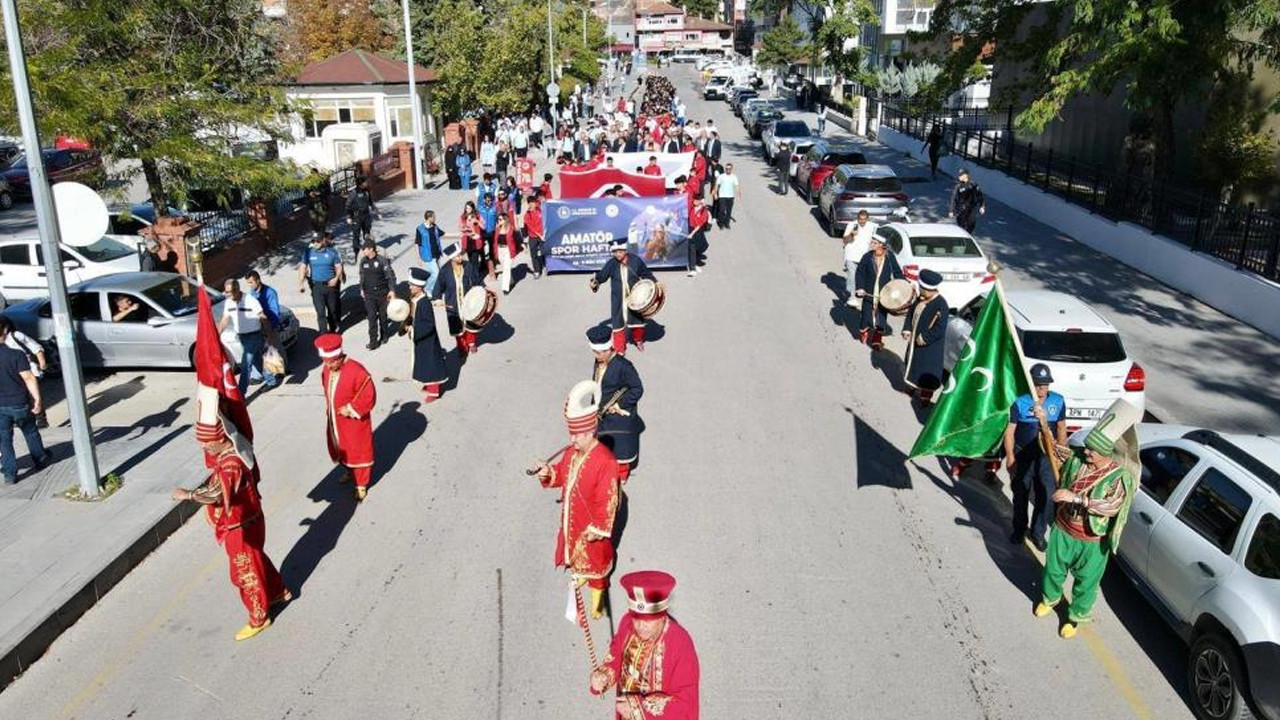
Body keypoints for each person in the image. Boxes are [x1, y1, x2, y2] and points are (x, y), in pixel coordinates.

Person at [171, 393, 289, 640]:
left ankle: (259, 617)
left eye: (207, 443)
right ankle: (278, 591)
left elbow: (215, 494)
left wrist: (188, 495)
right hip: (250, 521)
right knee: (258, 560)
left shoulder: (230, 465)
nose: (205, 448)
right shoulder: (232, 455)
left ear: (221, 439)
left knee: (245, 573)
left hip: (241, 527)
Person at [1035, 399, 1140, 639]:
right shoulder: (1078, 458)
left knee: (1086, 583)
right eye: (1087, 447)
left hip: (1092, 540)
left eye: (1092, 450)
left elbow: (1112, 506)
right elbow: (1054, 449)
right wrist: (1043, 422)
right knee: (1053, 569)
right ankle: (1050, 599)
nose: (1086, 451)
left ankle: (1074, 617)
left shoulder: (1119, 477)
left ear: (1104, 453)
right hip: (1063, 529)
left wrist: (1077, 499)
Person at [532, 382, 621, 620]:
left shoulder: (607, 462)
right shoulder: (572, 453)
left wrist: (599, 529)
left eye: (578, 434)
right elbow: (561, 473)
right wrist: (547, 472)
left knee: (597, 565)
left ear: (591, 432)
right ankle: (581, 578)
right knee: (576, 558)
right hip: (573, 520)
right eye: (571, 434)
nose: (573, 440)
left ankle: (597, 600)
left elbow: (609, 500)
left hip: (592, 526)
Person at [589, 570, 700, 719]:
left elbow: (686, 703)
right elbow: (616, 653)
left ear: (662, 617)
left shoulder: (680, 643)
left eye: (648, 620)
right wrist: (604, 675)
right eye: (637, 619)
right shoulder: (627, 622)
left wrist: (638, 708)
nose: (641, 626)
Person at [1004, 363, 1068, 552]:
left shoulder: (1058, 401)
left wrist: (1061, 454)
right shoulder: (1020, 402)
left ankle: (1038, 533)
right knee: (1021, 494)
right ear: (1031, 383)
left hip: (1046, 458)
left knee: (1046, 496)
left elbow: (1062, 428)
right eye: (1038, 384)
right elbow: (1010, 432)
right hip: (1023, 455)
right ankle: (1019, 528)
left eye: (1045, 384)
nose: (1042, 388)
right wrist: (1010, 457)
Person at [315, 333, 377, 502]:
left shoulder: (358, 371)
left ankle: (361, 484)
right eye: (326, 362)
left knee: (359, 451)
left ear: (340, 356)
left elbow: (368, 397)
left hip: (353, 422)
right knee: (341, 447)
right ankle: (349, 471)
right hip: (335, 420)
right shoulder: (327, 369)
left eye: (332, 361)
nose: (328, 365)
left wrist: (351, 409)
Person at [588, 325, 645, 483]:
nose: (596, 355)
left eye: (598, 352)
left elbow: (637, 388)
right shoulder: (599, 361)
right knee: (604, 444)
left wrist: (620, 405)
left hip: (620, 414)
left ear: (608, 349)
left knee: (621, 447)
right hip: (603, 412)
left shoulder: (624, 366)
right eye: (595, 352)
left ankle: (622, 473)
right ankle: (607, 470)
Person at [0, 320, 48, 485]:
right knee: (30, 432)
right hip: (19, 402)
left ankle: (10, 474)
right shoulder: (16, 355)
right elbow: (28, 377)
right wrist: (37, 400)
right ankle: (40, 459)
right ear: (5, 331)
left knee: (4, 440)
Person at [590, 240, 656, 354]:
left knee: (638, 322)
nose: (618, 254)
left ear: (625, 250)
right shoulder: (612, 263)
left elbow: (646, 274)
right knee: (618, 324)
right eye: (615, 252)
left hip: (635, 298)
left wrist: (655, 284)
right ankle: (620, 349)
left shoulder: (636, 261)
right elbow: (602, 276)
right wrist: (595, 281)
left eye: (620, 251)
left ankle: (638, 339)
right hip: (618, 299)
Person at [220, 279, 278, 394]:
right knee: (257, 359)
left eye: (229, 292)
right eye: (226, 292)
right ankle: (271, 380)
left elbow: (263, 317)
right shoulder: (228, 302)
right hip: (241, 337)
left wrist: (270, 334)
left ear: (237, 290)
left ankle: (241, 393)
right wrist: (217, 334)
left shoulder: (251, 300)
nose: (227, 295)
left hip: (254, 335)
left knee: (246, 364)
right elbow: (224, 320)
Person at [902, 269, 950, 406]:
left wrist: (925, 338)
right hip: (914, 342)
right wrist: (907, 329)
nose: (920, 290)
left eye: (921, 289)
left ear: (928, 289)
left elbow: (940, 329)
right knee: (913, 364)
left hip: (930, 346)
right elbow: (911, 314)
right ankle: (912, 386)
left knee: (927, 369)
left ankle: (925, 397)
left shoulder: (941, 305)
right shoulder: (919, 299)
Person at [433, 243, 484, 358]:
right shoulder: (445, 270)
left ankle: (471, 343)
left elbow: (477, 280)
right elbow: (439, 286)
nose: (461, 258)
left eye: (461, 255)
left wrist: (482, 291)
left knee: (471, 322)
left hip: (468, 300)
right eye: (458, 256)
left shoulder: (468, 266)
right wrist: (437, 298)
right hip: (453, 302)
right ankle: (462, 347)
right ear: (451, 257)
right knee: (456, 325)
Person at [854, 236, 904, 350]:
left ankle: (877, 340)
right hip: (869, 291)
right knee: (866, 315)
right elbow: (860, 272)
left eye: (875, 242)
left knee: (881, 316)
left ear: (882, 244)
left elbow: (897, 272)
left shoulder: (890, 257)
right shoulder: (867, 257)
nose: (872, 244)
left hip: (884, 292)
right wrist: (860, 287)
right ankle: (864, 331)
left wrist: (904, 285)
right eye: (872, 242)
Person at [407, 267, 448, 404]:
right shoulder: (415, 299)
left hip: (428, 340)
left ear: (420, 286)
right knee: (423, 363)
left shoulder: (424, 303)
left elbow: (429, 325)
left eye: (412, 285)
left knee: (431, 364)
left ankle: (434, 390)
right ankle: (428, 383)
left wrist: (414, 330)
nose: (410, 287)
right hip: (421, 339)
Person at [299, 232, 344, 334]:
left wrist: (336, 278)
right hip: (317, 287)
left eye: (318, 241)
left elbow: (338, 266)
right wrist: (301, 282)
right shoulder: (308, 252)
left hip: (330, 286)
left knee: (332, 311)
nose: (315, 243)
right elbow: (303, 266)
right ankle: (324, 334)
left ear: (323, 240)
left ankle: (333, 330)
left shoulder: (332, 252)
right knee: (320, 312)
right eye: (313, 241)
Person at [357, 240, 397, 350]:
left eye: (364, 248)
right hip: (369, 294)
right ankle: (373, 341)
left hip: (382, 294)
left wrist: (392, 290)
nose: (363, 250)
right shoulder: (363, 261)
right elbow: (362, 276)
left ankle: (384, 335)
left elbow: (390, 276)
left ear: (371, 249)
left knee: (383, 317)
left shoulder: (382, 260)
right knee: (371, 317)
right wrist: (361, 288)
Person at [345, 181, 379, 255]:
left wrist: (377, 212)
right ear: (360, 184)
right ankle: (356, 253)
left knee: (367, 234)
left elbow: (371, 202)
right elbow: (348, 206)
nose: (366, 183)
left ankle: (369, 250)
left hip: (366, 215)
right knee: (356, 235)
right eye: (364, 182)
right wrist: (349, 217)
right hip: (356, 217)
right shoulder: (354, 193)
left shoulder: (367, 191)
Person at [842, 210, 878, 280]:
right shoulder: (851, 225)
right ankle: (851, 291)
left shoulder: (872, 227)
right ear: (857, 218)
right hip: (851, 257)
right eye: (860, 219)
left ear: (867, 219)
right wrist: (851, 234)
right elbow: (845, 240)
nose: (862, 221)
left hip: (864, 258)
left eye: (864, 219)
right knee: (852, 279)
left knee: (862, 279)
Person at [415, 210, 445, 294]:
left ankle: (434, 289)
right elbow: (417, 244)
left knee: (436, 274)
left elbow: (443, 234)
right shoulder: (420, 229)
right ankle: (427, 289)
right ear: (429, 218)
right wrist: (418, 258)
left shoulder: (434, 227)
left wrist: (458, 235)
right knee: (435, 273)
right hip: (428, 256)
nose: (435, 218)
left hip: (436, 255)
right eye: (434, 217)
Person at [949, 169, 986, 233]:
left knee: (971, 226)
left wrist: (982, 206)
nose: (959, 177)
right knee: (961, 227)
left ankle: (968, 236)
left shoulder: (973, 185)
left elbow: (980, 196)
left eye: (961, 175)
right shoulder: (958, 186)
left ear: (966, 175)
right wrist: (951, 210)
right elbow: (953, 197)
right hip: (961, 209)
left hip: (971, 209)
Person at [492, 212, 518, 296]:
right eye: (498, 219)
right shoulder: (497, 229)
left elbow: (517, 238)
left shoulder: (511, 229)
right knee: (505, 267)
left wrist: (521, 245)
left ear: (505, 220)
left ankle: (505, 288)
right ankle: (511, 280)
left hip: (508, 250)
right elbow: (495, 241)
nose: (498, 221)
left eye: (500, 219)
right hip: (500, 250)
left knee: (506, 269)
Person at [524, 193, 546, 279]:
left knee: (544, 252)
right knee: (534, 255)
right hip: (533, 237)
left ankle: (544, 266)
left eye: (533, 202)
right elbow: (531, 227)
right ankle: (537, 271)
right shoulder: (527, 215)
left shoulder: (540, 210)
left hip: (542, 235)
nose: (532, 204)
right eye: (530, 203)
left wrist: (543, 233)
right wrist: (540, 235)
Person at [712, 162, 739, 229]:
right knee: (722, 210)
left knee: (729, 211)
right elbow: (716, 185)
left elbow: (737, 186)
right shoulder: (721, 176)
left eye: (729, 169)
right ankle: (721, 224)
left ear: (731, 169)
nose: (728, 170)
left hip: (730, 196)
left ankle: (727, 224)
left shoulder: (734, 177)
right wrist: (715, 193)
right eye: (726, 169)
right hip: (722, 196)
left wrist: (739, 194)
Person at [306, 169, 332, 234]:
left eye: (315, 174)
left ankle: (322, 233)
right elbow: (306, 191)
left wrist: (320, 193)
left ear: (317, 174)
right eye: (312, 174)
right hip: (312, 204)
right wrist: (309, 193)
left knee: (322, 219)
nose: (314, 176)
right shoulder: (308, 181)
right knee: (314, 219)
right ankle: (317, 232)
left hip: (321, 202)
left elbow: (328, 191)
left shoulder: (323, 180)